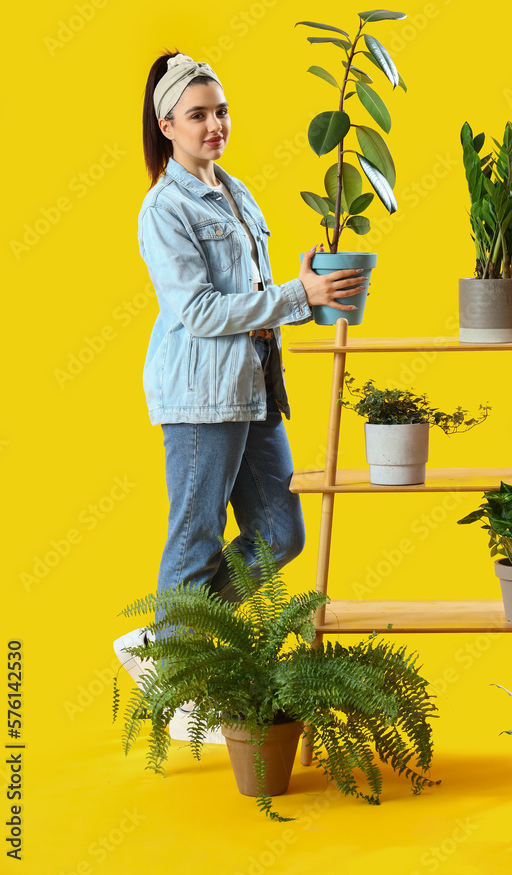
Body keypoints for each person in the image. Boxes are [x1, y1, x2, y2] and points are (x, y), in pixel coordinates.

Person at [114, 50, 366, 740]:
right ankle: (176, 669)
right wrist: (292, 296)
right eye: (197, 115)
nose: (213, 124)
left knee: (282, 533)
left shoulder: (237, 191)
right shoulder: (163, 208)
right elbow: (198, 311)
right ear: (166, 124)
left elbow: (254, 298)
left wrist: (310, 289)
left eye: (220, 111)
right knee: (194, 540)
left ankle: (172, 637)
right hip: (200, 395)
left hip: (254, 388)